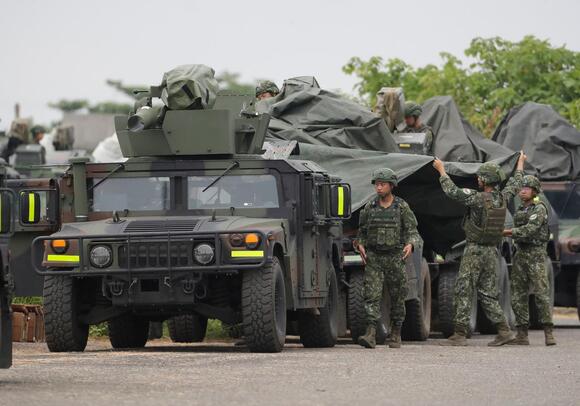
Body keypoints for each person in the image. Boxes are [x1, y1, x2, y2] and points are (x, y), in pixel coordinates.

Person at [433, 152, 526, 346]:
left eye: (480, 177)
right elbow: (516, 183)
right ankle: (504, 330)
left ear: (485, 180)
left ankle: (459, 334)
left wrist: (441, 170)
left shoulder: (477, 198)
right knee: (487, 293)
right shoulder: (502, 197)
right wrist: (520, 164)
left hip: (474, 250)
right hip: (492, 251)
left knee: (463, 289)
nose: (477, 179)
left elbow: (453, 192)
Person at [355, 168, 421, 349]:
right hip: (374, 258)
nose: (378, 187)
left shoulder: (401, 207)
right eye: (376, 184)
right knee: (371, 296)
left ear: (391, 186)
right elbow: (361, 232)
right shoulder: (370, 207)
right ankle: (370, 333)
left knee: (398, 296)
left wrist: (411, 244)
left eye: (382, 184)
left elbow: (413, 232)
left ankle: (396, 333)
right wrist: (360, 244)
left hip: (395, 258)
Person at [503, 175, 556, 346]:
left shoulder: (539, 208)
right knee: (518, 295)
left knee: (541, 294)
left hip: (536, 256)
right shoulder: (520, 209)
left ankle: (548, 333)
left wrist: (509, 232)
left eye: (527, 188)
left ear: (534, 191)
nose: (522, 191)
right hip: (521, 255)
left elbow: (531, 229)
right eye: (521, 188)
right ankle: (522, 333)